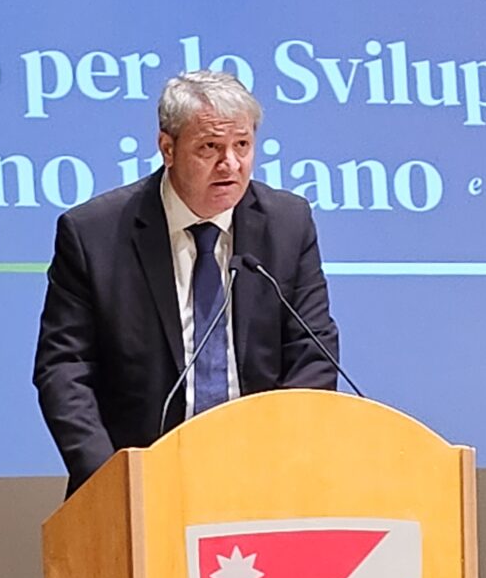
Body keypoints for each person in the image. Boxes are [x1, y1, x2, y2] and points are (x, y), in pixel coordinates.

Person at [33, 70, 340, 497]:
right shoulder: (94, 234)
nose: (230, 164)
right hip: (139, 486)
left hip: (264, 484)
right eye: (210, 147)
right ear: (168, 148)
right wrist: (111, 482)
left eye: (242, 145)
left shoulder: (288, 223)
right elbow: (64, 369)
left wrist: (276, 463)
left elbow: (314, 353)